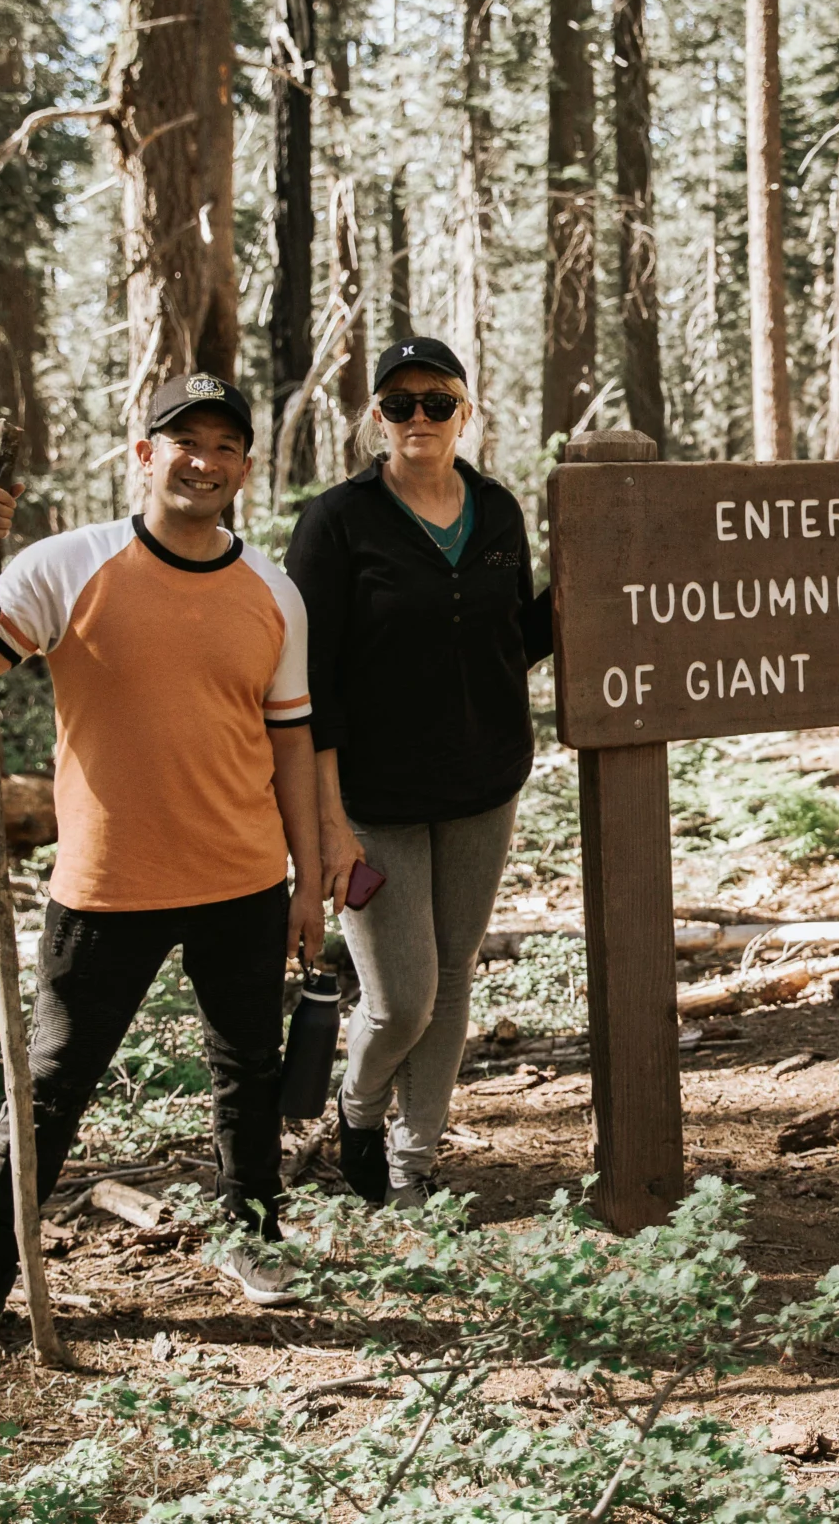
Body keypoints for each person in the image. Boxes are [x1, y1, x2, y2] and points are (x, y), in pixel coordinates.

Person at [0, 373, 325, 1361]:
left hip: (244, 877)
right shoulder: (68, 567)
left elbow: (294, 745)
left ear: (245, 469)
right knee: (48, 1088)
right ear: (145, 454)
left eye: (226, 446)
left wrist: (309, 881)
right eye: (185, 441)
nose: (205, 461)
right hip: (106, 886)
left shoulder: (273, 591)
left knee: (247, 1074)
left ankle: (250, 1237)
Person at [287, 338, 552, 1207]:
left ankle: (414, 1170)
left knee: (453, 980)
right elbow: (309, 684)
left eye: (436, 403)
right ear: (376, 419)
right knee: (403, 998)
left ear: (464, 412)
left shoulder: (498, 510)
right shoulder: (338, 521)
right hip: (376, 802)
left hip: (485, 787)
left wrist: (602, 583)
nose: (418, 420)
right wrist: (326, 823)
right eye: (398, 405)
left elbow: (519, 639)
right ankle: (358, 1109)